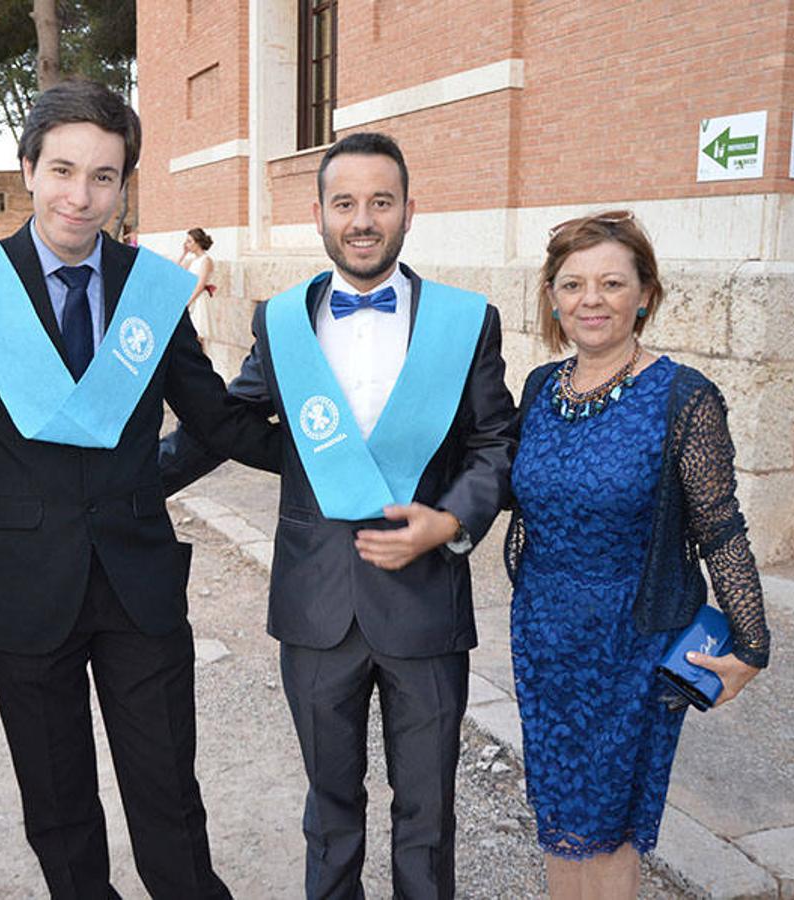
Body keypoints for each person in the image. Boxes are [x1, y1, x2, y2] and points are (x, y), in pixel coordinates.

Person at [0, 79, 280, 899]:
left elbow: (215, 420)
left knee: (168, 797)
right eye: (62, 171)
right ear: (29, 168)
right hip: (17, 592)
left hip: (137, 587)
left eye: (104, 177)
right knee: (57, 808)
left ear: (125, 187)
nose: (79, 197)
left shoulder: (149, 288)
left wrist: (321, 462)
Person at [161, 132, 518, 899]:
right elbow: (232, 422)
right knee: (329, 813)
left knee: (427, 815)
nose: (363, 219)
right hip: (314, 604)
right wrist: (122, 481)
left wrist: (449, 523)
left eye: (380, 202)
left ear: (408, 213)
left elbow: (496, 443)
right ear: (318, 214)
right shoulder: (281, 322)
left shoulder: (465, 321)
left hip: (425, 602)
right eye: (345, 203)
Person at [505, 210, 770, 899]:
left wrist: (750, 642)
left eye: (611, 283)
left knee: (613, 828)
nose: (589, 299)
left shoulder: (682, 399)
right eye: (571, 284)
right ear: (552, 297)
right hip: (543, 637)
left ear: (644, 294)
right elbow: (518, 487)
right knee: (559, 817)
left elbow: (718, 524)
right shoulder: (540, 389)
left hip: (632, 640)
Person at [176, 227, 215, 343]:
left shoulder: (206, 260)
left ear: (197, 243)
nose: (187, 244)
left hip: (198, 299)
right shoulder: (193, 260)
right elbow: (176, 271)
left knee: (198, 335)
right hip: (192, 298)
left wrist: (188, 302)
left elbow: (200, 284)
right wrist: (183, 253)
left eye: (189, 241)